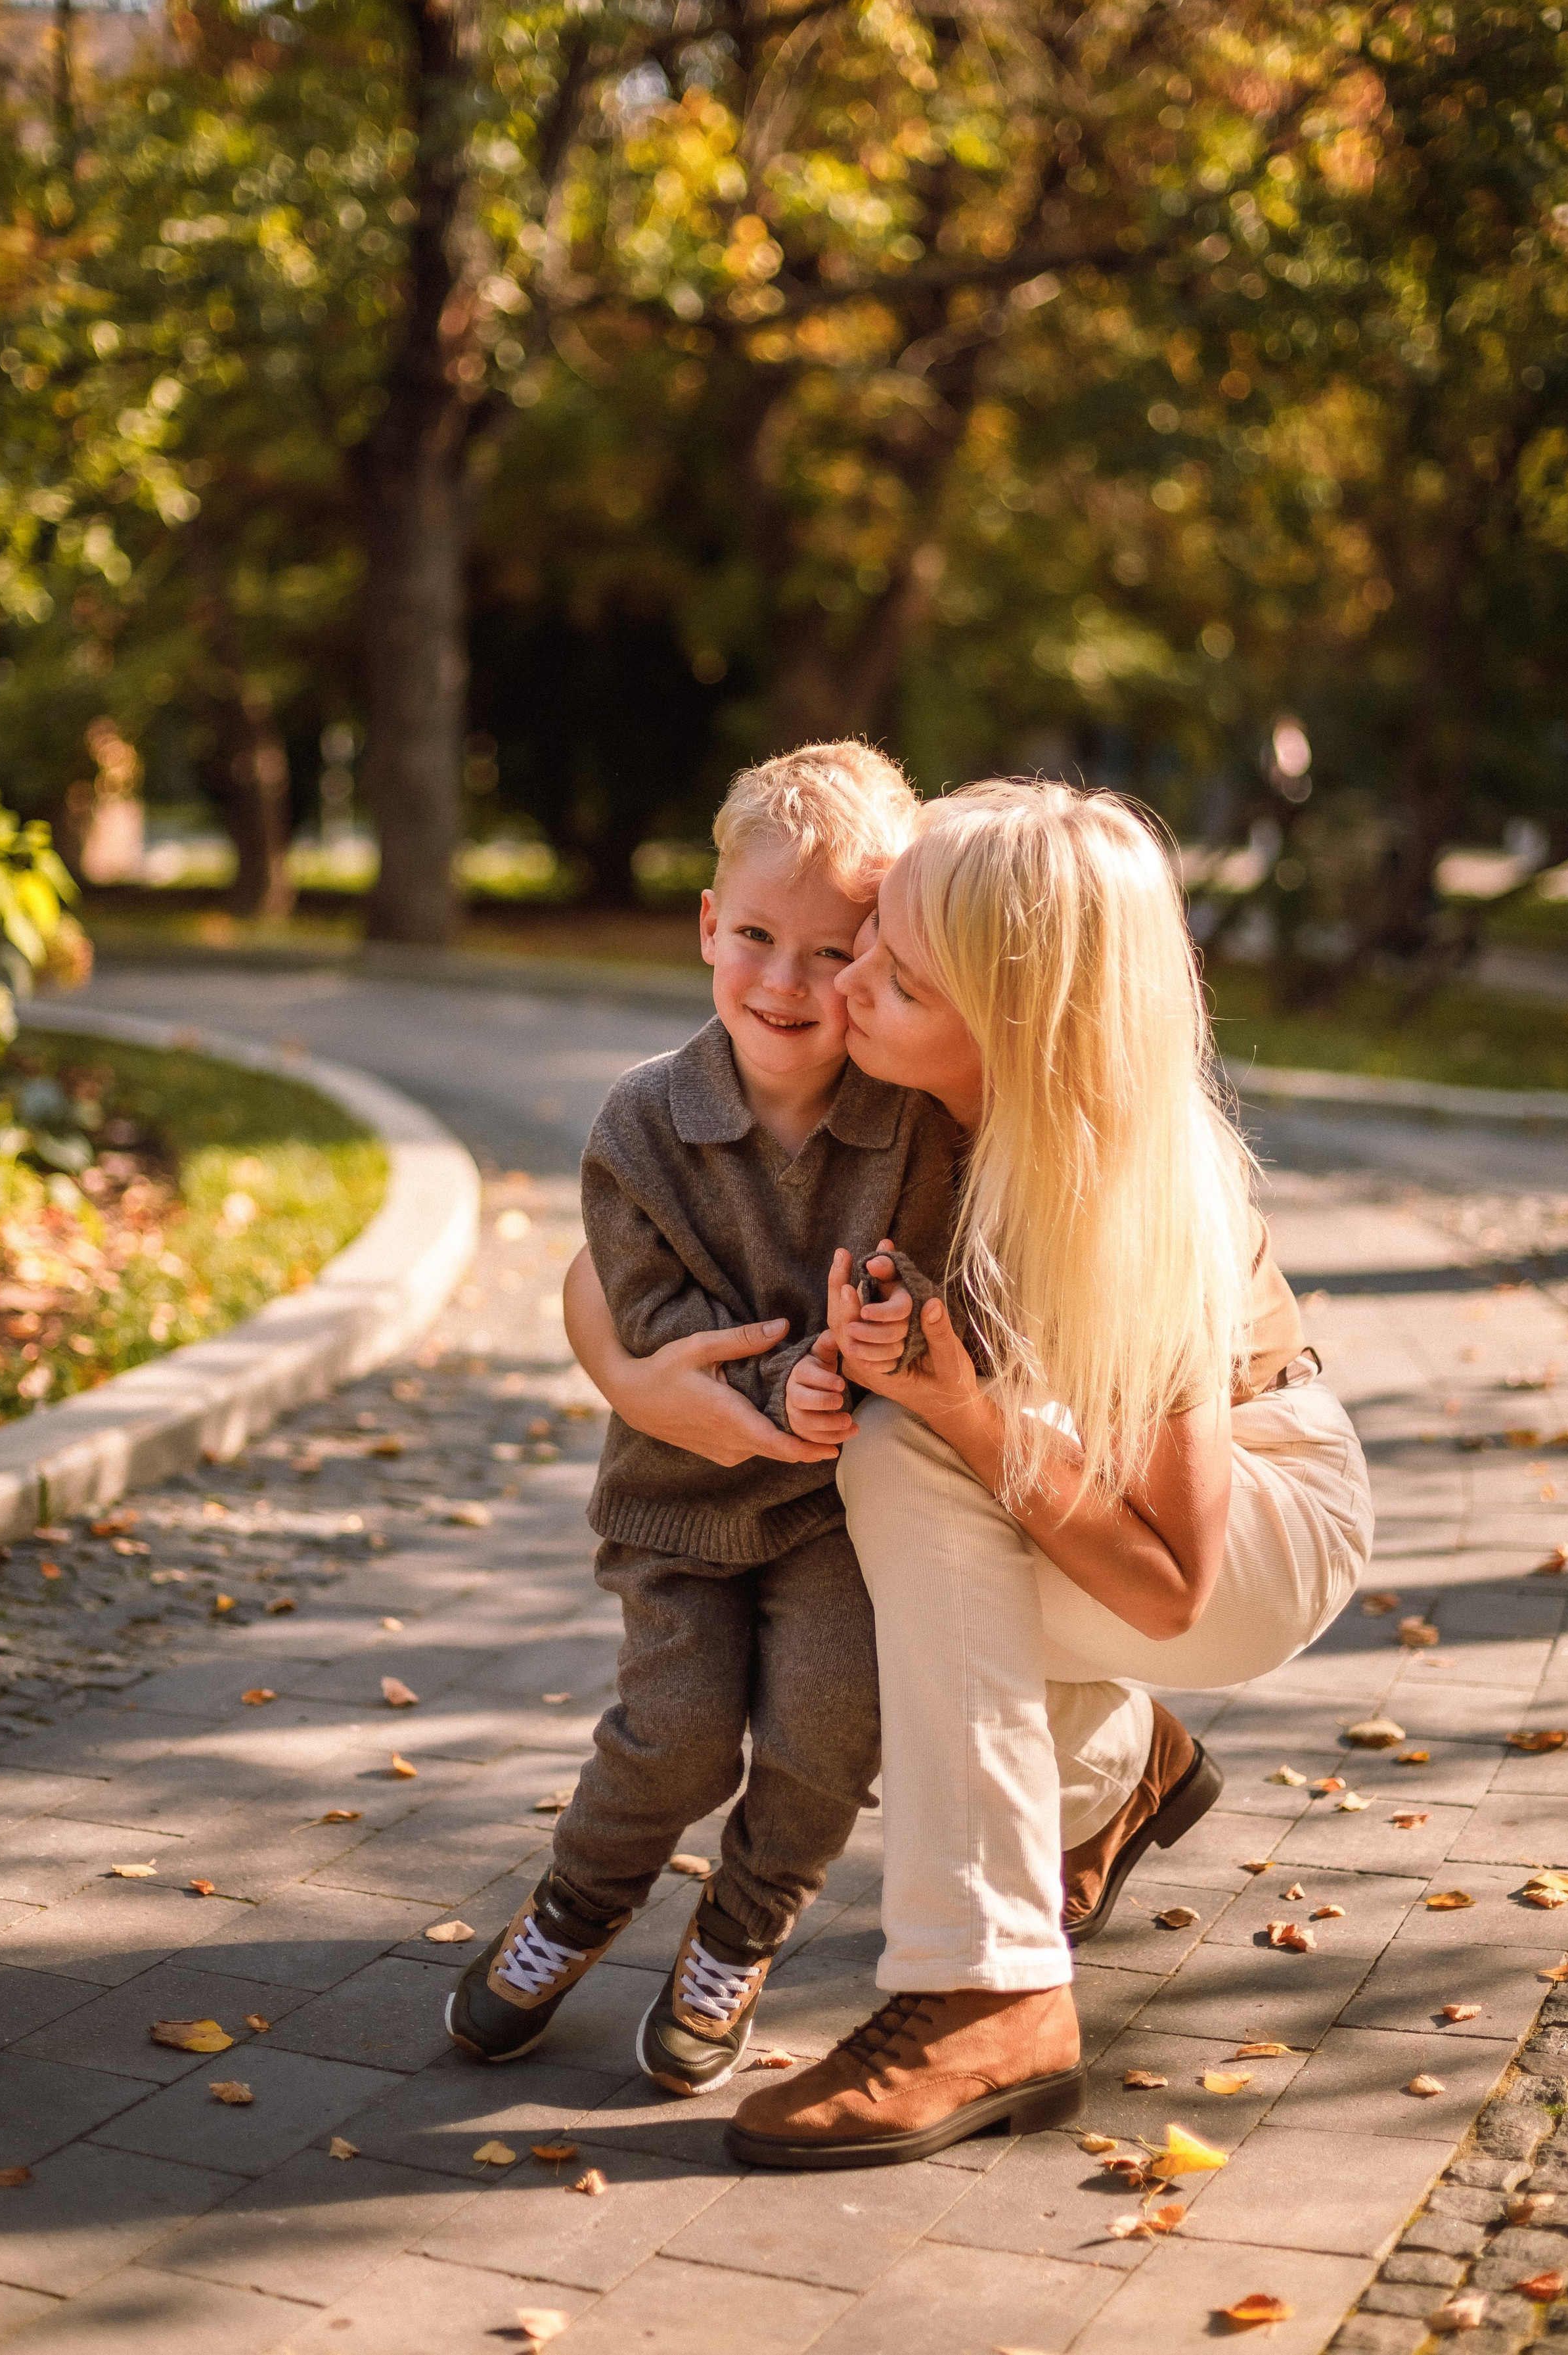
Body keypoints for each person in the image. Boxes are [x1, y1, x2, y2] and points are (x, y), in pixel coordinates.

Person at [567, 780, 1372, 2169]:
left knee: (893, 1462)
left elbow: (1177, 1582)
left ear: (1003, 1016)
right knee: (877, 1549)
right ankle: (1116, 1765)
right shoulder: (911, 1085)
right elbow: (607, 1255)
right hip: (1082, 1493)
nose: (846, 980)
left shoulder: (1141, 1179)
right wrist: (639, 1385)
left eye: (891, 966)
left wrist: (960, 1405)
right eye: (864, 937)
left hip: (1257, 1514)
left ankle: (984, 1994)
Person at [447, 742, 966, 2096]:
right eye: (753, 937)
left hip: (840, 1510)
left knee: (827, 1736)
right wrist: (763, 1389)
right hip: (681, 1494)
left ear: (878, 959)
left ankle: (735, 1938)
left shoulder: (914, 1124)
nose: (785, 983)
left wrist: (858, 1351)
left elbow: (925, 1277)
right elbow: (645, 1310)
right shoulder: (640, 1123)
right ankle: (574, 1904)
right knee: (669, 1739)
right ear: (705, 927)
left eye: (829, 950)